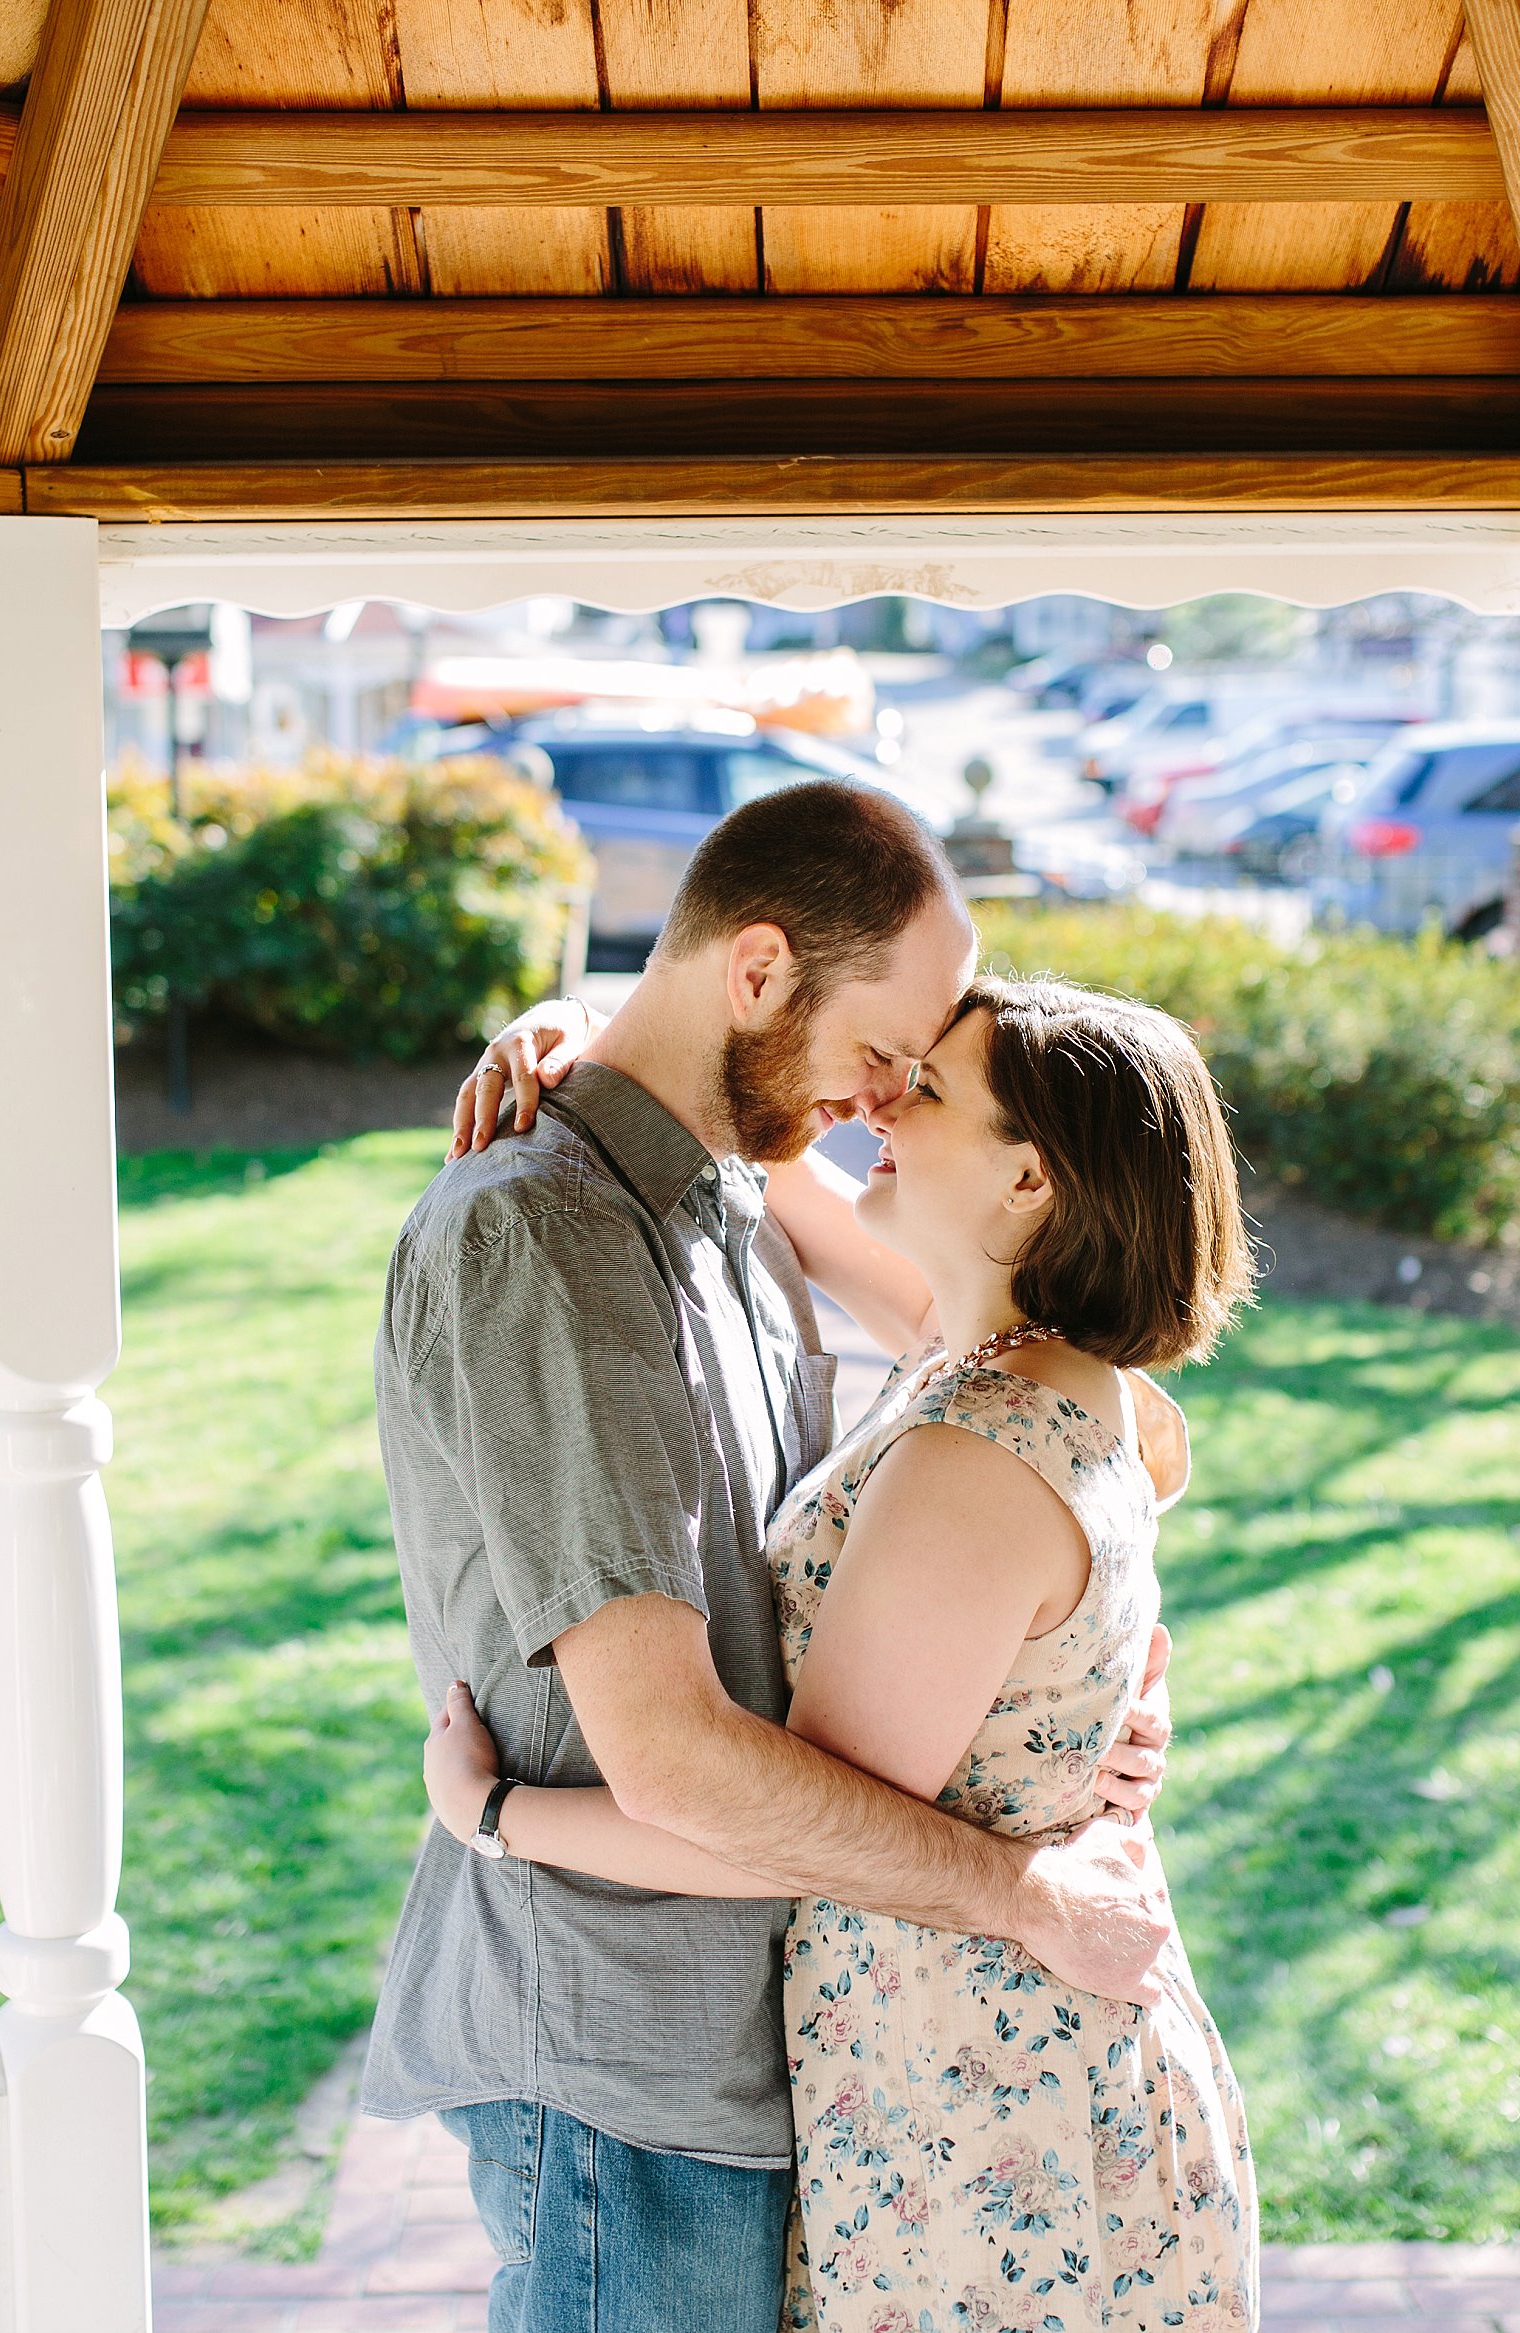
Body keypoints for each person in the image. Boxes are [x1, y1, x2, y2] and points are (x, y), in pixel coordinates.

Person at [365, 781, 1181, 2333]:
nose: (884, 1099)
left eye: (915, 1076)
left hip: (761, 2051)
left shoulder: (735, 1193)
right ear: (755, 973)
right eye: (883, 1055)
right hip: (622, 2067)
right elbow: (671, 1755)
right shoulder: (548, 1239)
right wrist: (1022, 1886)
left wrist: (1095, 1689)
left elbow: (1059, 1389)